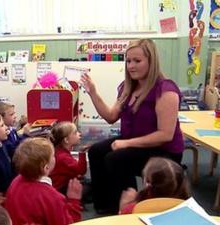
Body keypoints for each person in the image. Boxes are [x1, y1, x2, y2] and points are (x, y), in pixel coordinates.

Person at [80, 38, 184, 214]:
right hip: (135, 141)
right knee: (96, 151)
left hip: (163, 150)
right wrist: (93, 93)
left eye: (137, 61)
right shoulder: (127, 88)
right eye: (128, 61)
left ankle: (127, 207)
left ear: (151, 62)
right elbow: (110, 117)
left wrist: (126, 143)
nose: (131, 66)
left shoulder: (165, 90)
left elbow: (165, 135)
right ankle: (104, 204)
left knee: (116, 158)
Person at [5, 137, 82, 225]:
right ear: (46, 168)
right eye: (53, 155)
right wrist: (74, 201)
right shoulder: (53, 197)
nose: (55, 156)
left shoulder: (15, 182)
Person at [119, 157, 190, 214]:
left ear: (147, 183)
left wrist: (124, 205)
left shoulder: (135, 208)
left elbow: (122, 221)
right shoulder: (187, 208)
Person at [49, 122, 88, 197]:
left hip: (59, 186)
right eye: (75, 132)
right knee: (89, 186)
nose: (79, 134)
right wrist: (82, 153)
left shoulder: (59, 151)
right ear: (66, 140)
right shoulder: (64, 157)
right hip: (61, 189)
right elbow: (82, 170)